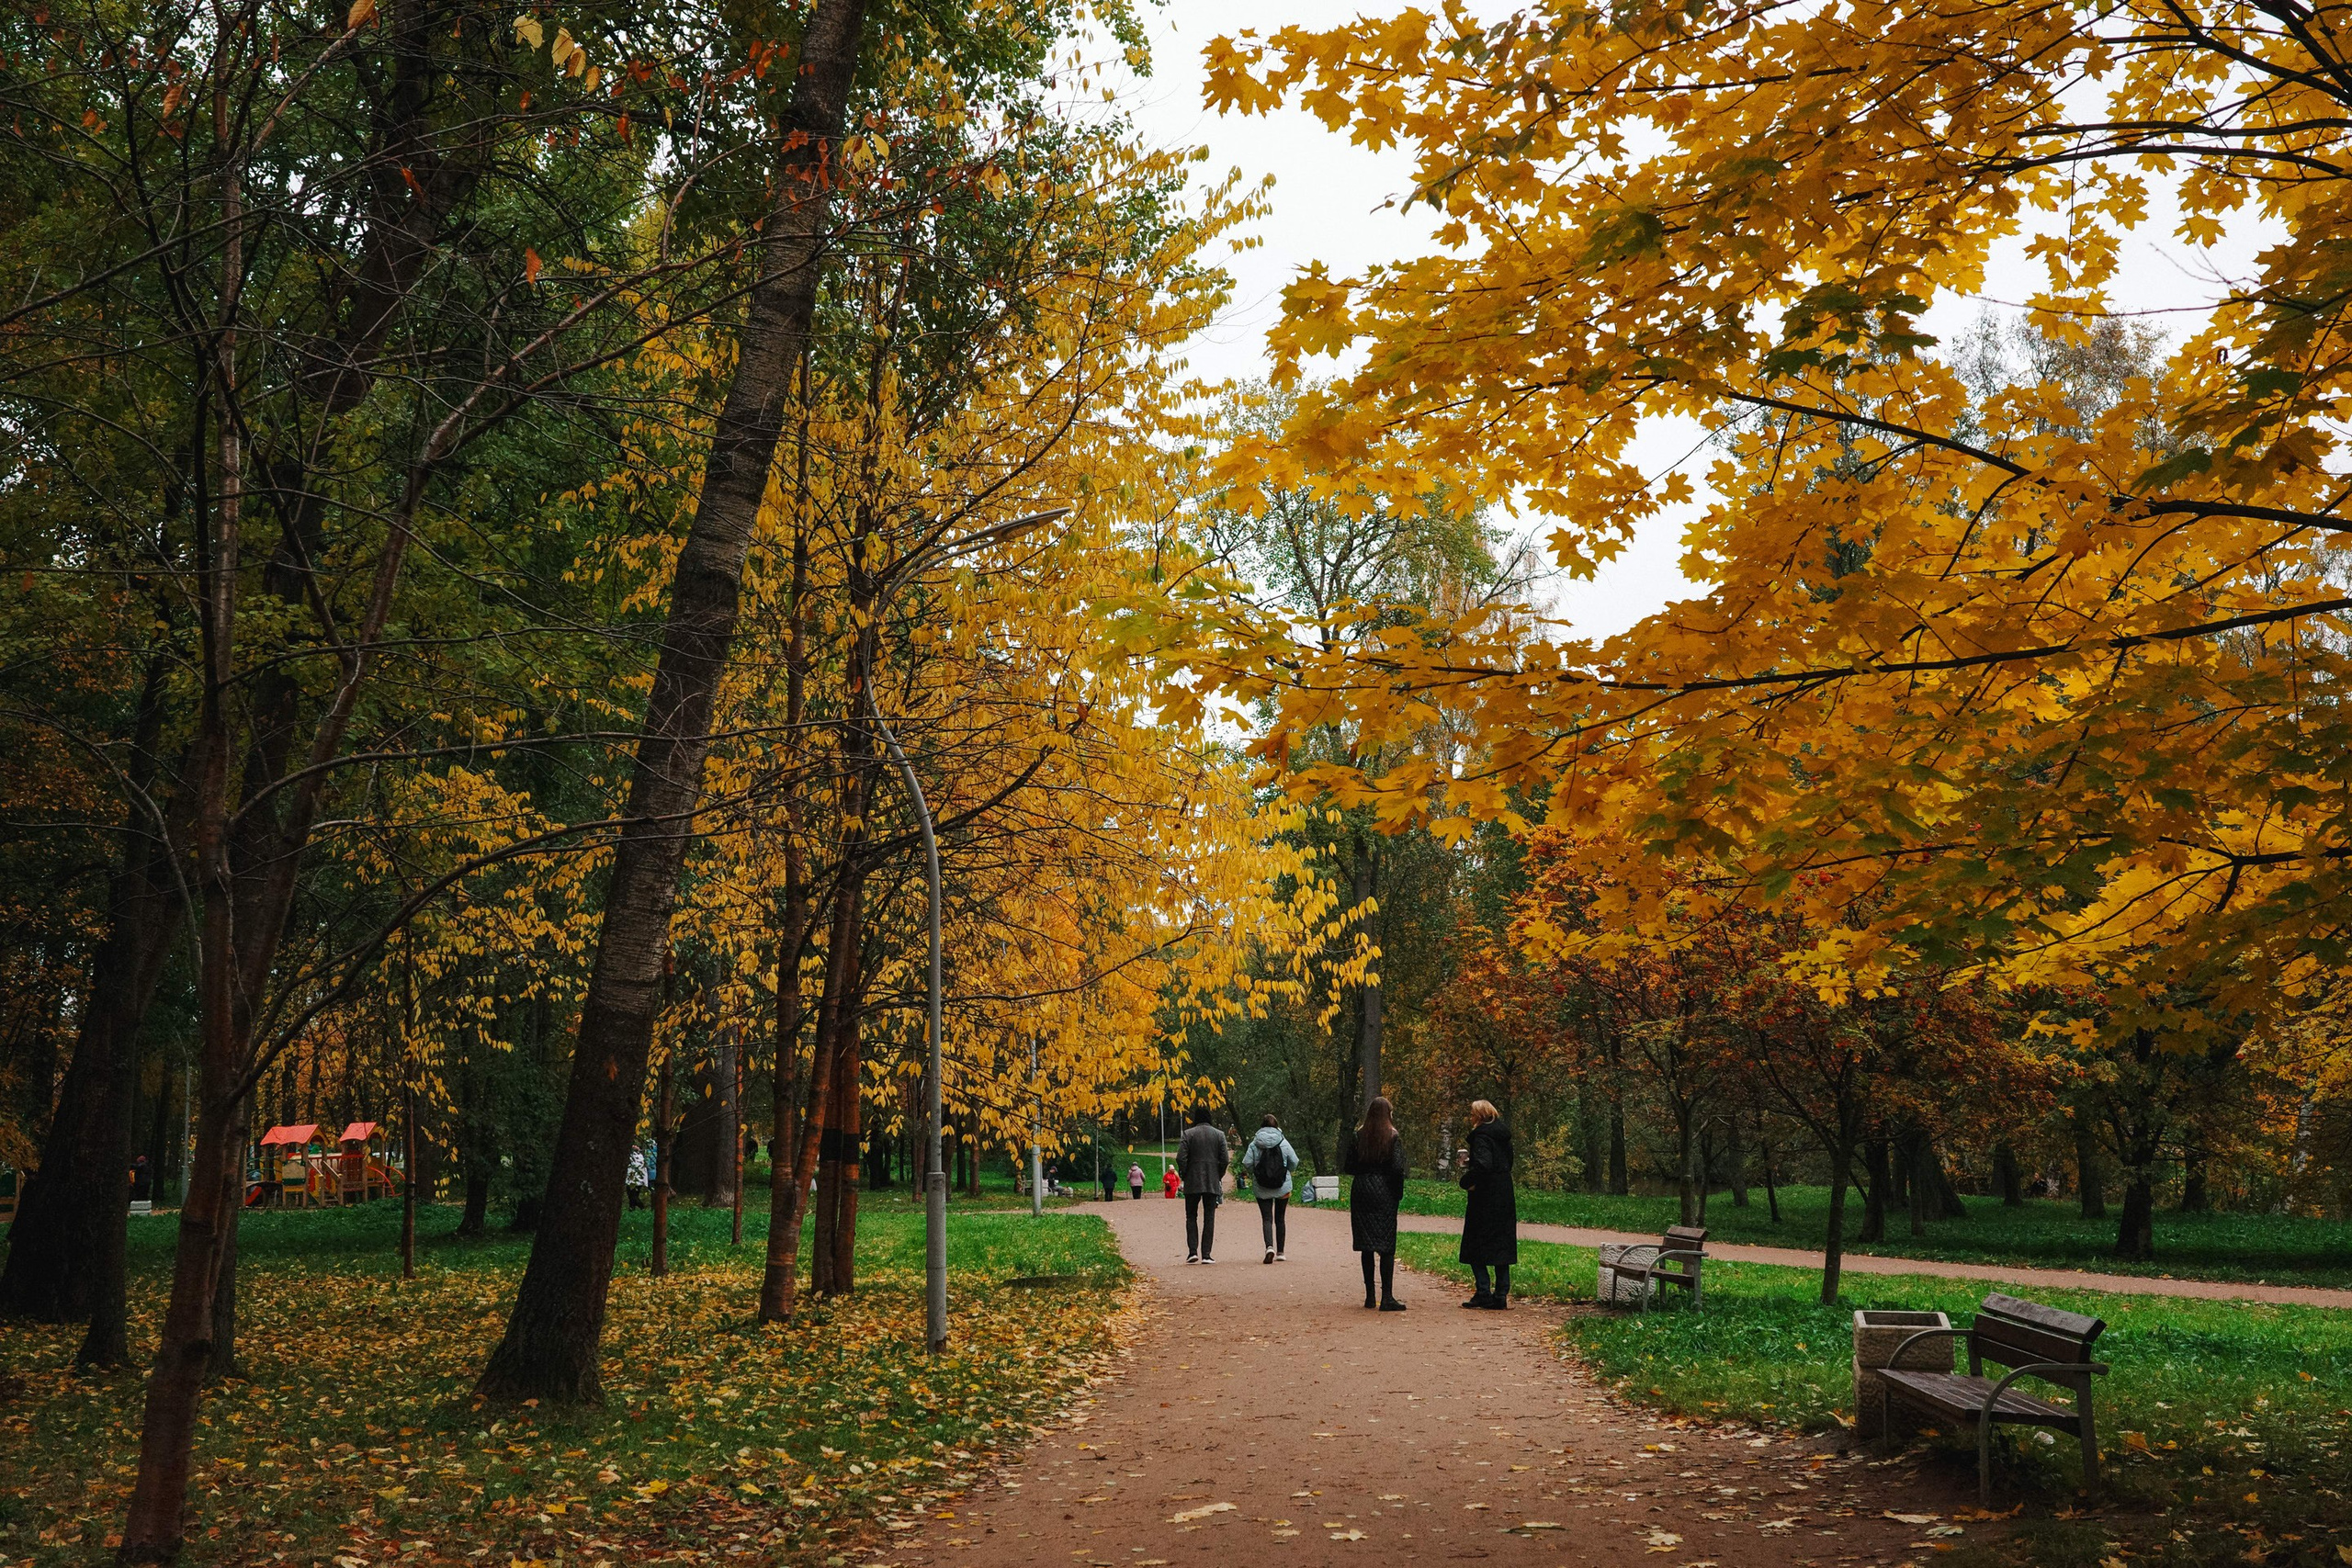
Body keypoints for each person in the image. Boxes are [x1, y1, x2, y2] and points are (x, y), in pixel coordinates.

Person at [1347, 1095, 1408, 1311]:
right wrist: (1397, 1193)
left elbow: (1348, 1166)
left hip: (1362, 1189)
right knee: (1386, 1244)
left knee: (1366, 1244)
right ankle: (1388, 1296)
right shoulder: (1392, 1136)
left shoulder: (1359, 1135)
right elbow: (1398, 1168)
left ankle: (1370, 1296)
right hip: (1384, 1191)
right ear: (1388, 1114)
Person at [1457, 1098, 1519, 1308]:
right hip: (1504, 1191)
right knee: (1502, 1243)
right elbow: (1507, 1161)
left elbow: (1484, 1164)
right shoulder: (1503, 1135)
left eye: (1473, 1113)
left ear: (1480, 1116)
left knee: (1476, 1242)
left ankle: (1483, 1290)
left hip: (1485, 1195)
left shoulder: (1481, 1136)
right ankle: (1501, 1294)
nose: (1471, 1117)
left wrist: (1467, 1181)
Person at [1239, 1113, 1299, 1263]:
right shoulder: (1284, 1142)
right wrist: (1286, 1171)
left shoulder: (1254, 1143)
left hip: (1262, 1186)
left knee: (1267, 1218)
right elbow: (1294, 1161)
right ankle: (1281, 1252)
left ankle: (1269, 1247)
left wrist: (1256, 1172)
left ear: (1262, 1126)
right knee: (1280, 1218)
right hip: (1283, 1186)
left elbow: (1247, 1163)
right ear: (1277, 1126)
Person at [1177, 1106, 1229, 1263]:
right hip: (1212, 1180)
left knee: (1191, 1216)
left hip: (1192, 1180)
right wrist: (1218, 1174)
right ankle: (1206, 1254)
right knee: (1209, 1217)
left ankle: (1192, 1252)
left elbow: (1181, 1157)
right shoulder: (1219, 1135)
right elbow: (1225, 1159)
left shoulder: (1188, 1134)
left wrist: (1184, 1173)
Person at [627, 1144, 650, 1210]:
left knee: (633, 1196)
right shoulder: (633, 1156)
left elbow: (644, 1170)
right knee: (632, 1196)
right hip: (633, 1180)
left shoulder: (640, 1157)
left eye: (636, 1146)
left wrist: (645, 1181)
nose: (634, 1146)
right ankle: (632, 1208)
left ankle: (641, 1207)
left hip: (635, 1180)